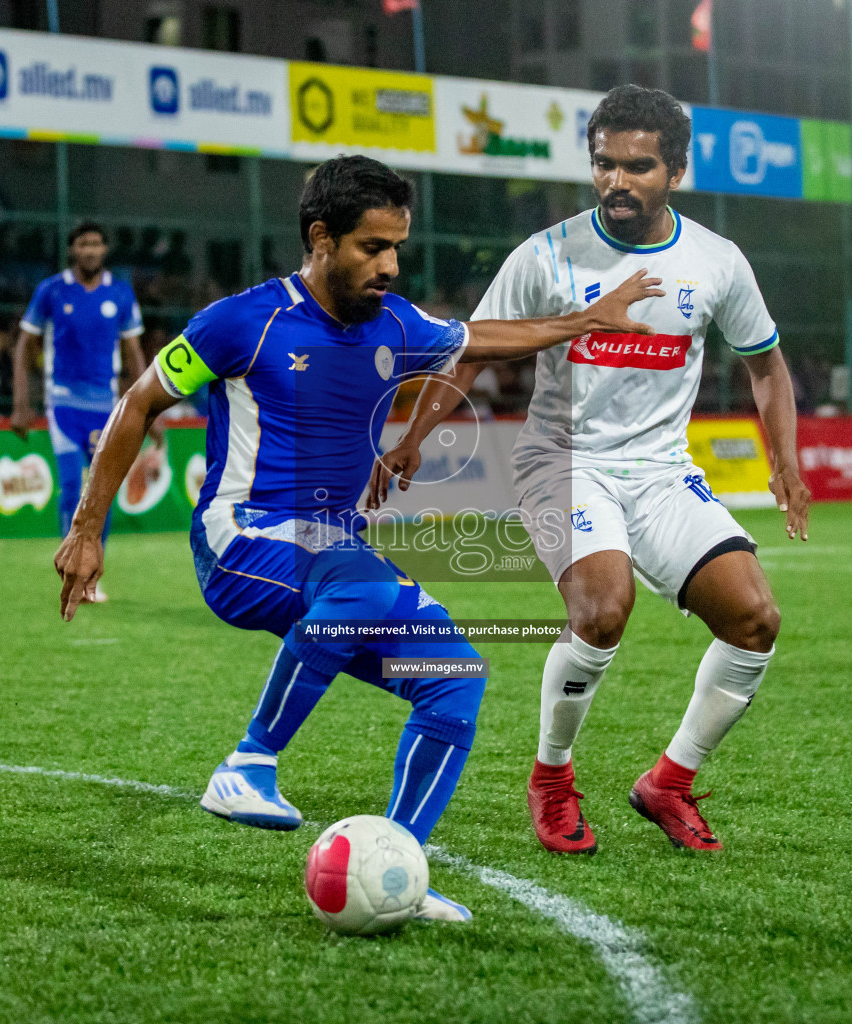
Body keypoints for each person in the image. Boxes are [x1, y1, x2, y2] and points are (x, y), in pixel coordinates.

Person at [52, 155, 661, 921]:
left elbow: (484, 337)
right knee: (364, 578)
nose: (390, 265)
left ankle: (398, 868)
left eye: (398, 248)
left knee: (454, 677)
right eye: (373, 247)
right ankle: (249, 763)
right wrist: (86, 530)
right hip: (241, 542)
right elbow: (138, 402)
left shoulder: (400, 324)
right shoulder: (244, 320)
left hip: (330, 559)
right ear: (320, 238)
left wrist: (581, 320)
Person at [370, 86, 812, 855]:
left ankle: (668, 782)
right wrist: (414, 437)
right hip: (562, 462)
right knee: (601, 611)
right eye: (605, 164)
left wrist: (787, 463)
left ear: (675, 170)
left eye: (638, 167)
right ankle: (551, 778)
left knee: (754, 621)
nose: (617, 181)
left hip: (662, 470)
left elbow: (766, 367)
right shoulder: (546, 254)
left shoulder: (716, 262)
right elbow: (473, 349)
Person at [14, 222, 147, 603]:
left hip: (105, 408)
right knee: (72, 486)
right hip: (63, 404)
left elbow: (134, 352)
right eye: (83, 244)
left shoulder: (120, 293)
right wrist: (21, 403)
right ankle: (71, 572)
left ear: (105, 249)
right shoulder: (52, 290)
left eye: (96, 244)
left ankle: (90, 577)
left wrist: (149, 406)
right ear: (73, 249)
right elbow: (25, 345)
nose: (90, 250)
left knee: (101, 494)